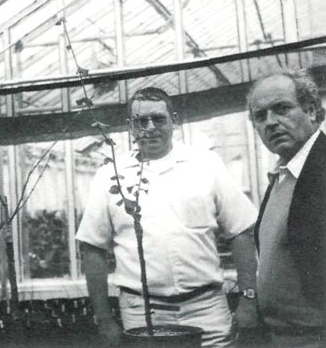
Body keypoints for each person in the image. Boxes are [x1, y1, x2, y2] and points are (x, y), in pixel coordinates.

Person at [76, 87, 259, 347]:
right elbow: (92, 247)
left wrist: (248, 298)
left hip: (207, 308)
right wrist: (103, 318)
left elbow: (240, 231)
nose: (149, 127)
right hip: (142, 312)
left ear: (174, 120)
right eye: (140, 121)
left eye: (158, 119)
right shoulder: (110, 175)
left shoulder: (206, 163)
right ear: (130, 127)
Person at [247, 70, 326, 348]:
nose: (271, 122)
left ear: (312, 111)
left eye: (282, 109)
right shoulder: (284, 174)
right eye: (261, 116)